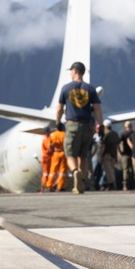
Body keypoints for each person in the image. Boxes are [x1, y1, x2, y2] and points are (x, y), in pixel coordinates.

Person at [55, 61, 103, 194]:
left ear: (75, 71)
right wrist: (101, 125)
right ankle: (81, 181)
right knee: (84, 155)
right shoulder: (90, 89)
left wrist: (58, 122)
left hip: (72, 125)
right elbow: (98, 109)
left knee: (70, 154)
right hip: (88, 126)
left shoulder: (65, 88)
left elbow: (59, 108)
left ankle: (75, 172)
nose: (70, 73)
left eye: (71, 71)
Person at [100, 118, 120, 190]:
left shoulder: (106, 134)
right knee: (112, 169)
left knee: (108, 170)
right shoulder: (115, 134)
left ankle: (111, 184)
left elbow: (103, 145)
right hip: (114, 154)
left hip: (107, 154)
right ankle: (110, 183)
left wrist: (101, 155)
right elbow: (118, 145)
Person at [46, 123, 67, 191]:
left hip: (56, 153)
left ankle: (49, 186)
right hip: (64, 153)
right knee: (63, 171)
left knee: (53, 170)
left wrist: (51, 150)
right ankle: (60, 187)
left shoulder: (53, 134)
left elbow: (49, 145)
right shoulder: (65, 134)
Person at [118, 120, 135, 190]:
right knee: (134, 170)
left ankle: (125, 184)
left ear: (125, 126)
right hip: (133, 154)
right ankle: (134, 184)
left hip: (125, 154)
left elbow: (117, 143)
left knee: (125, 170)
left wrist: (120, 151)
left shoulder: (123, 134)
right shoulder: (134, 133)